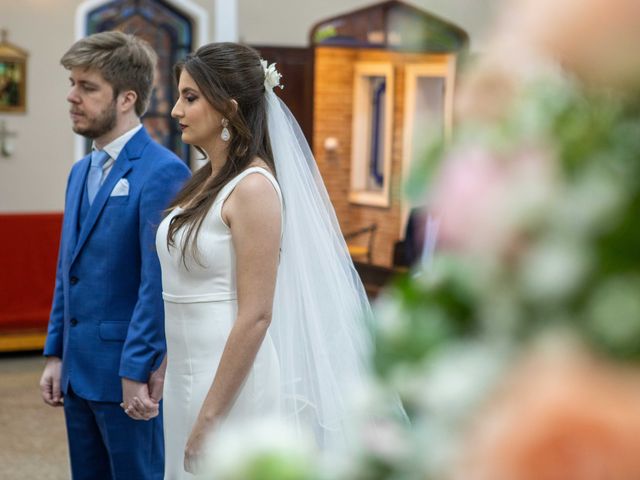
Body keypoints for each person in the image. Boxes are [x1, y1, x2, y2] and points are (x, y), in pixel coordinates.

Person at [126, 43, 373, 478]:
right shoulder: (205, 181)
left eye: (191, 97)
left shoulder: (254, 187)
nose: (177, 111)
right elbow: (185, 290)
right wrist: (166, 364)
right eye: (180, 96)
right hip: (187, 373)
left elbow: (257, 313)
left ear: (228, 108)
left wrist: (211, 416)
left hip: (229, 382)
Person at [39, 31, 191, 480]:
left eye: (87, 87)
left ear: (127, 98)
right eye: (72, 83)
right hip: (77, 368)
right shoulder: (79, 172)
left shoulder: (164, 171)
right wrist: (55, 353)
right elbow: (69, 271)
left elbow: (155, 282)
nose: (71, 96)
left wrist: (136, 368)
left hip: (125, 372)